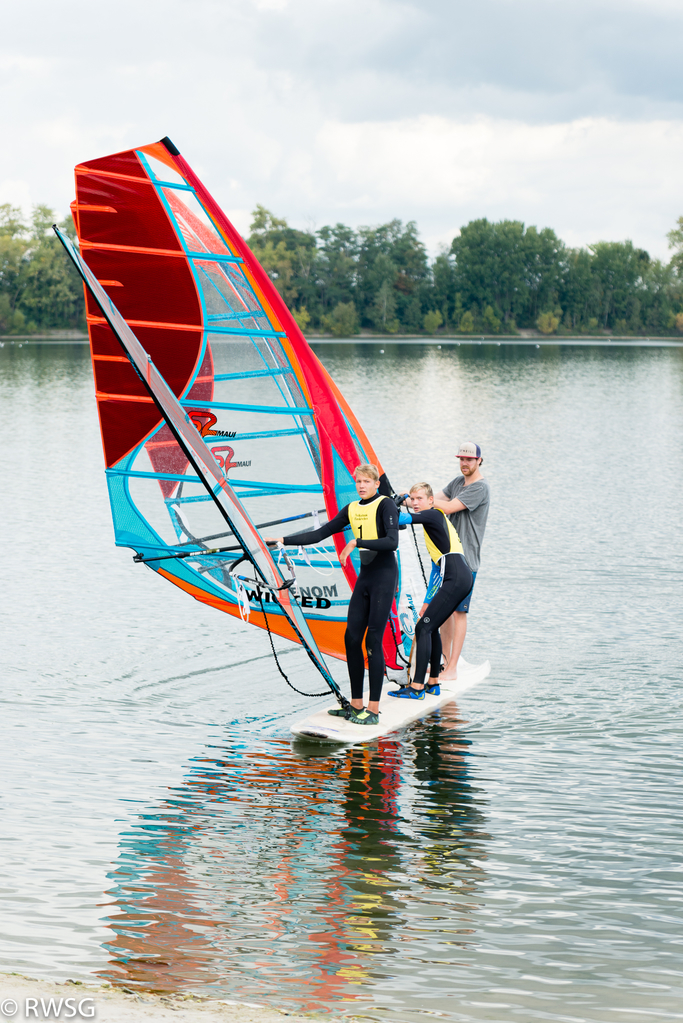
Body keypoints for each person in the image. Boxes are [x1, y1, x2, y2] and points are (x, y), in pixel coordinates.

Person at [265, 464, 398, 726]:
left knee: (373, 640)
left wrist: (356, 542)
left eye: (366, 482)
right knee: (351, 639)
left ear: (376, 484)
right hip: (366, 579)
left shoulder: (385, 505)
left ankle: (372, 710)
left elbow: (392, 542)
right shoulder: (352, 509)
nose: (361, 485)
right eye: (358, 481)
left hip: (384, 577)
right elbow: (320, 534)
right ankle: (356, 705)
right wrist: (282, 539)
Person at [389, 483, 473, 699]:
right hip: (454, 576)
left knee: (422, 629)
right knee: (430, 625)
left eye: (419, 499)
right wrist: (427, 600)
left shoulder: (434, 515)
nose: (415, 503)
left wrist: (392, 505)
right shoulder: (432, 524)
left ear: (430, 501)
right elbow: (437, 568)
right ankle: (433, 682)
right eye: (413, 499)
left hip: (455, 576)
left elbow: (401, 520)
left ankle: (417, 688)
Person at [433, 442, 489, 680]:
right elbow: (435, 497)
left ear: (479, 461)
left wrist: (419, 501)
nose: (464, 464)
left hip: (466, 562)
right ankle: (445, 663)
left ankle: (454, 668)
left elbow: (446, 507)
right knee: (442, 612)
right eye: (461, 459)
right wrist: (406, 498)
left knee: (458, 613)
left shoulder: (480, 488)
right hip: (446, 558)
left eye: (469, 460)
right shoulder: (457, 482)